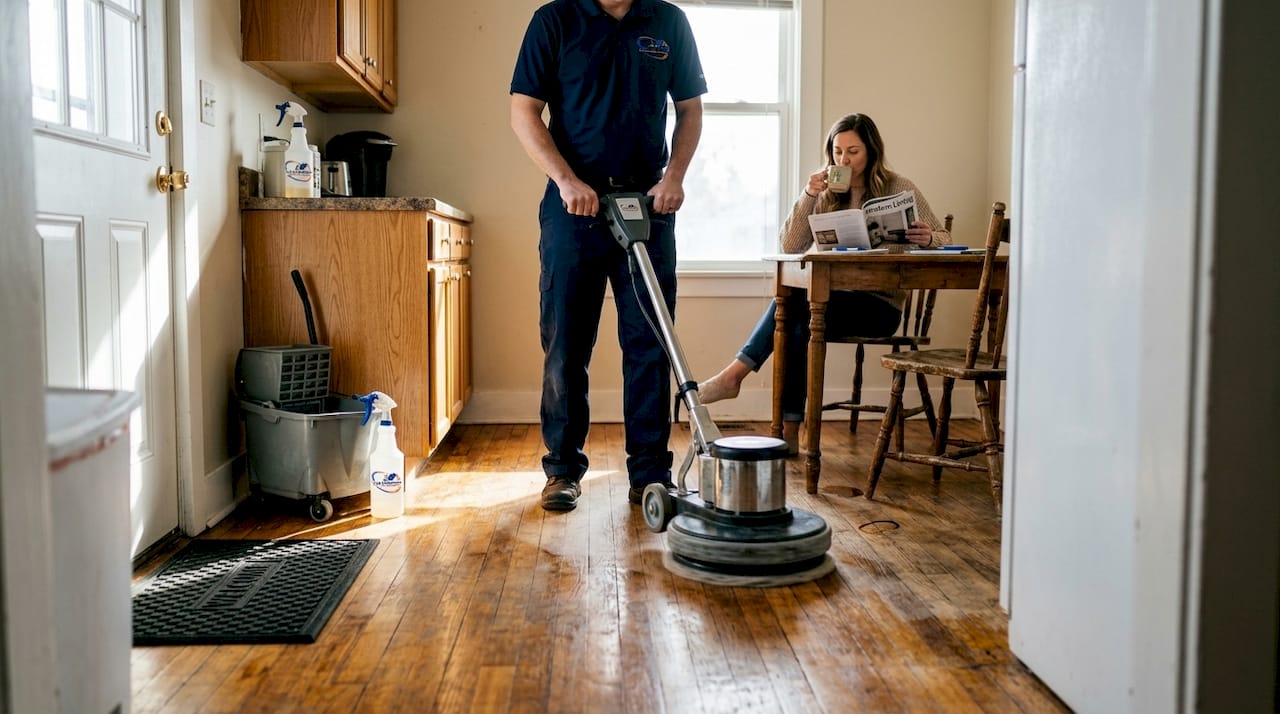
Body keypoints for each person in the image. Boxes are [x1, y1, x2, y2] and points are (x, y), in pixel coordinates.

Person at [510, 0, 707, 511]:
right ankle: (562, 470)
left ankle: (650, 474)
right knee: (566, 341)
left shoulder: (667, 21)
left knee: (650, 343)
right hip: (574, 205)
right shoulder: (555, 20)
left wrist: (674, 178)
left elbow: (689, 109)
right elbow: (523, 108)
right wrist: (566, 180)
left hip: (649, 203)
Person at [697, 113, 951, 453]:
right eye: (837, 151)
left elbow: (946, 238)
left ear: (871, 151)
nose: (843, 160)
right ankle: (787, 431)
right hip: (831, 301)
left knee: (795, 308)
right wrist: (807, 194)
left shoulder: (898, 186)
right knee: (795, 317)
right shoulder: (826, 190)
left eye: (853, 152)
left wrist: (928, 237)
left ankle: (735, 378)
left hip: (880, 306)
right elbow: (789, 246)